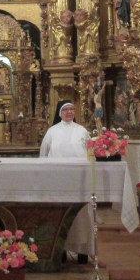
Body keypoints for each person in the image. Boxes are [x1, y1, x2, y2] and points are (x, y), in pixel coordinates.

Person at [40, 101, 92, 263]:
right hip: (58, 180)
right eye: (66, 109)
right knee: (60, 214)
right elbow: (43, 155)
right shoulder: (52, 131)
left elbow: (90, 153)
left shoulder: (82, 130)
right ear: (59, 113)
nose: (69, 112)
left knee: (82, 216)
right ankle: (60, 250)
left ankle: (83, 252)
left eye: (71, 109)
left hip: (79, 179)